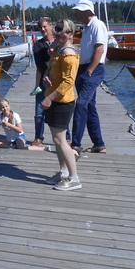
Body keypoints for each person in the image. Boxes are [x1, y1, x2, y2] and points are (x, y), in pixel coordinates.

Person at [40, 18, 81, 190]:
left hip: (62, 101)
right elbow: (51, 69)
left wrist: (49, 98)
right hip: (54, 99)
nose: (58, 33)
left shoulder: (69, 55)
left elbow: (68, 82)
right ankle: (63, 172)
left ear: (70, 33)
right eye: (57, 29)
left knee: (60, 139)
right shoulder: (58, 50)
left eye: (63, 30)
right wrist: (45, 78)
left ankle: (74, 178)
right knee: (57, 140)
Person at [70, 0, 108, 154]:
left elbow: (99, 48)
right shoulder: (87, 28)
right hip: (85, 67)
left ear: (87, 11)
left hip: (93, 68)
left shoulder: (97, 25)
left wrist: (90, 70)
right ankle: (99, 144)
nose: (76, 13)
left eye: (78, 11)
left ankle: (75, 144)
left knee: (81, 104)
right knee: (90, 106)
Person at [31, 17, 56, 147]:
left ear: (51, 26)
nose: (43, 29)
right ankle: (38, 137)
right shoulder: (37, 46)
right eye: (41, 27)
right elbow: (40, 65)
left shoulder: (59, 42)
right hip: (43, 81)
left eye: (45, 26)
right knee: (39, 111)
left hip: (58, 82)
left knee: (58, 109)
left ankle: (66, 137)